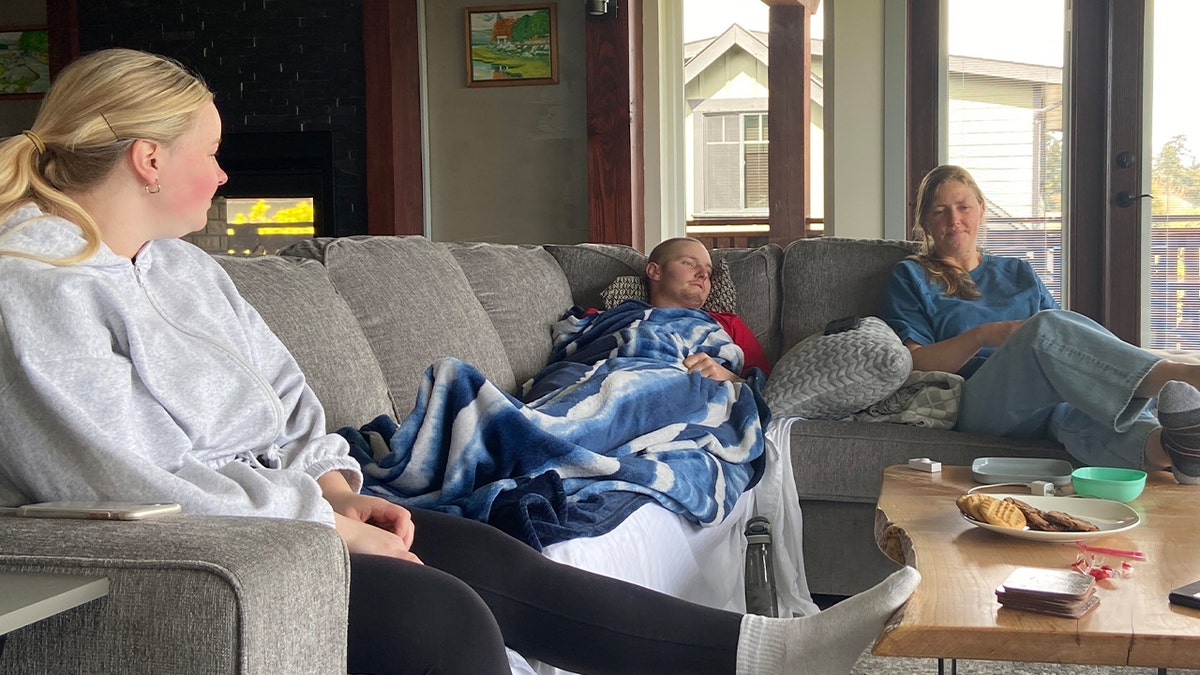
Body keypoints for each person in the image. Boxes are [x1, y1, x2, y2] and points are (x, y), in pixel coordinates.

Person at [0, 48, 919, 675]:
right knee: (440, 616)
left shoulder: (186, 268)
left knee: (481, 549)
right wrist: (320, 527)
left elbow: (286, 392)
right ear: (149, 159)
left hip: (282, 512)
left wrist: (334, 487)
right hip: (200, 547)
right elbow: (122, 478)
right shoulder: (34, 282)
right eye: (210, 153)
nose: (224, 174)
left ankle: (765, 652)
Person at [879, 164, 1200, 484]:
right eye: (940, 211)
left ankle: (1176, 450)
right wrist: (984, 336)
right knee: (1042, 330)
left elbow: (1070, 344)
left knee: (1079, 411)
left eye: (963, 207)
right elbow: (917, 361)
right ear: (925, 221)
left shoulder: (1019, 272)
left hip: (1045, 402)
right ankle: (1185, 375)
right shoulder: (911, 275)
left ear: (981, 210)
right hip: (980, 401)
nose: (954, 219)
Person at [643, 236, 772, 380]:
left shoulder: (728, 324)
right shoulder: (628, 317)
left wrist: (728, 377)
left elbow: (768, 385)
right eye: (689, 264)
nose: (703, 274)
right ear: (655, 271)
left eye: (708, 272)